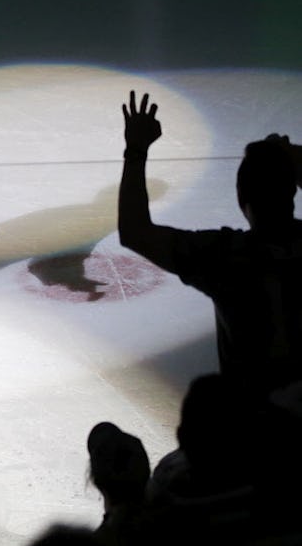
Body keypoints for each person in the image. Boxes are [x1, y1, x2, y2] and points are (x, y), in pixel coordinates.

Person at [118, 90, 302, 402]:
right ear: (292, 191)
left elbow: (135, 232)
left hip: (255, 432)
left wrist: (136, 150)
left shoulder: (227, 257)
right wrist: (293, 158)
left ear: (242, 199)